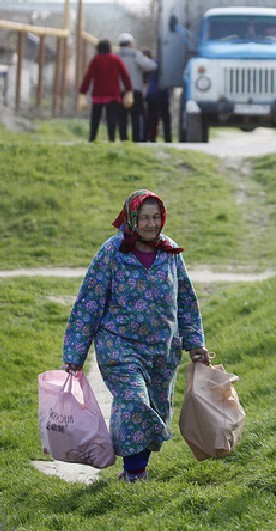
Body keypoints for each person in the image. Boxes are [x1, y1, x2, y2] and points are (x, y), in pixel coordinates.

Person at [62, 189, 211, 482]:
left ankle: (134, 467)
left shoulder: (170, 252)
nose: (151, 224)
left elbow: (186, 301)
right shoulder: (111, 252)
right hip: (119, 346)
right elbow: (88, 303)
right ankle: (134, 474)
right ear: (132, 218)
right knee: (133, 402)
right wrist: (74, 355)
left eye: (156, 217)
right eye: (144, 218)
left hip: (161, 350)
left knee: (152, 409)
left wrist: (195, 343)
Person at [78, 39, 132, 143]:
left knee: (95, 117)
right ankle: (111, 138)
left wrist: (83, 91)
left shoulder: (95, 60)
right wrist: (128, 89)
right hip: (113, 93)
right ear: (110, 48)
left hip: (98, 93)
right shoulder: (116, 59)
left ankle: (92, 137)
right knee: (111, 118)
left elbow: (88, 77)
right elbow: (125, 75)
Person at [116, 33, 157, 142]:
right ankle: (136, 139)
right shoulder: (136, 54)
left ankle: (123, 138)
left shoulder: (115, 55)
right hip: (135, 89)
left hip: (120, 90)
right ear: (130, 43)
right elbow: (151, 65)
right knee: (135, 115)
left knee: (122, 116)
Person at [144, 56, 172, 143]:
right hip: (162, 93)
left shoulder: (151, 64)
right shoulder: (167, 65)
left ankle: (149, 137)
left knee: (151, 117)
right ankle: (167, 138)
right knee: (165, 118)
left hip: (151, 93)